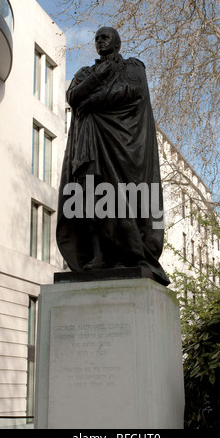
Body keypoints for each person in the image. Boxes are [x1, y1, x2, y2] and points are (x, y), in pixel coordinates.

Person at [56, 26, 169, 284]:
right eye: (96, 38)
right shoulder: (86, 72)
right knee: (90, 200)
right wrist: (96, 82)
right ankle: (97, 255)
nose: (99, 41)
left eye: (104, 37)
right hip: (89, 146)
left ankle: (127, 255)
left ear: (117, 42)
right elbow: (73, 96)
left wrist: (92, 101)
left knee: (123, 199)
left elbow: (129, 91)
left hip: (125, 148)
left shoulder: (132, 66)